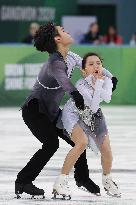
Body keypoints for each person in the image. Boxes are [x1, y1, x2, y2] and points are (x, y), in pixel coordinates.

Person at [15, 22, 118, 199]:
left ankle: (82, 178)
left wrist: (110, 77)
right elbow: (63, 79)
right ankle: (23, 181)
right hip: (34, 110)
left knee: (79, 139)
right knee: (51, 144)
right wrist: (75, 94)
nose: (66, 31)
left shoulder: (70, 56)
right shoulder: (55, 63)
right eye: (62, 30)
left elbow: (87, 65)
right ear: (57, 39)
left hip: (52, 112)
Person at [53, 52, 121, 198]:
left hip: (93, 115)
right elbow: (94, 104)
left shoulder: (106, 80)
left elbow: (107, 99)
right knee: (81, 143)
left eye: (98, 63)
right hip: (74, 113)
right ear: (84, 72)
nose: (96, 66)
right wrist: (98, 85)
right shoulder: (80, 85)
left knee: (106, 149)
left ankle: (107, 179)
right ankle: (60, 183)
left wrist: (102, 82)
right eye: (91, 64)